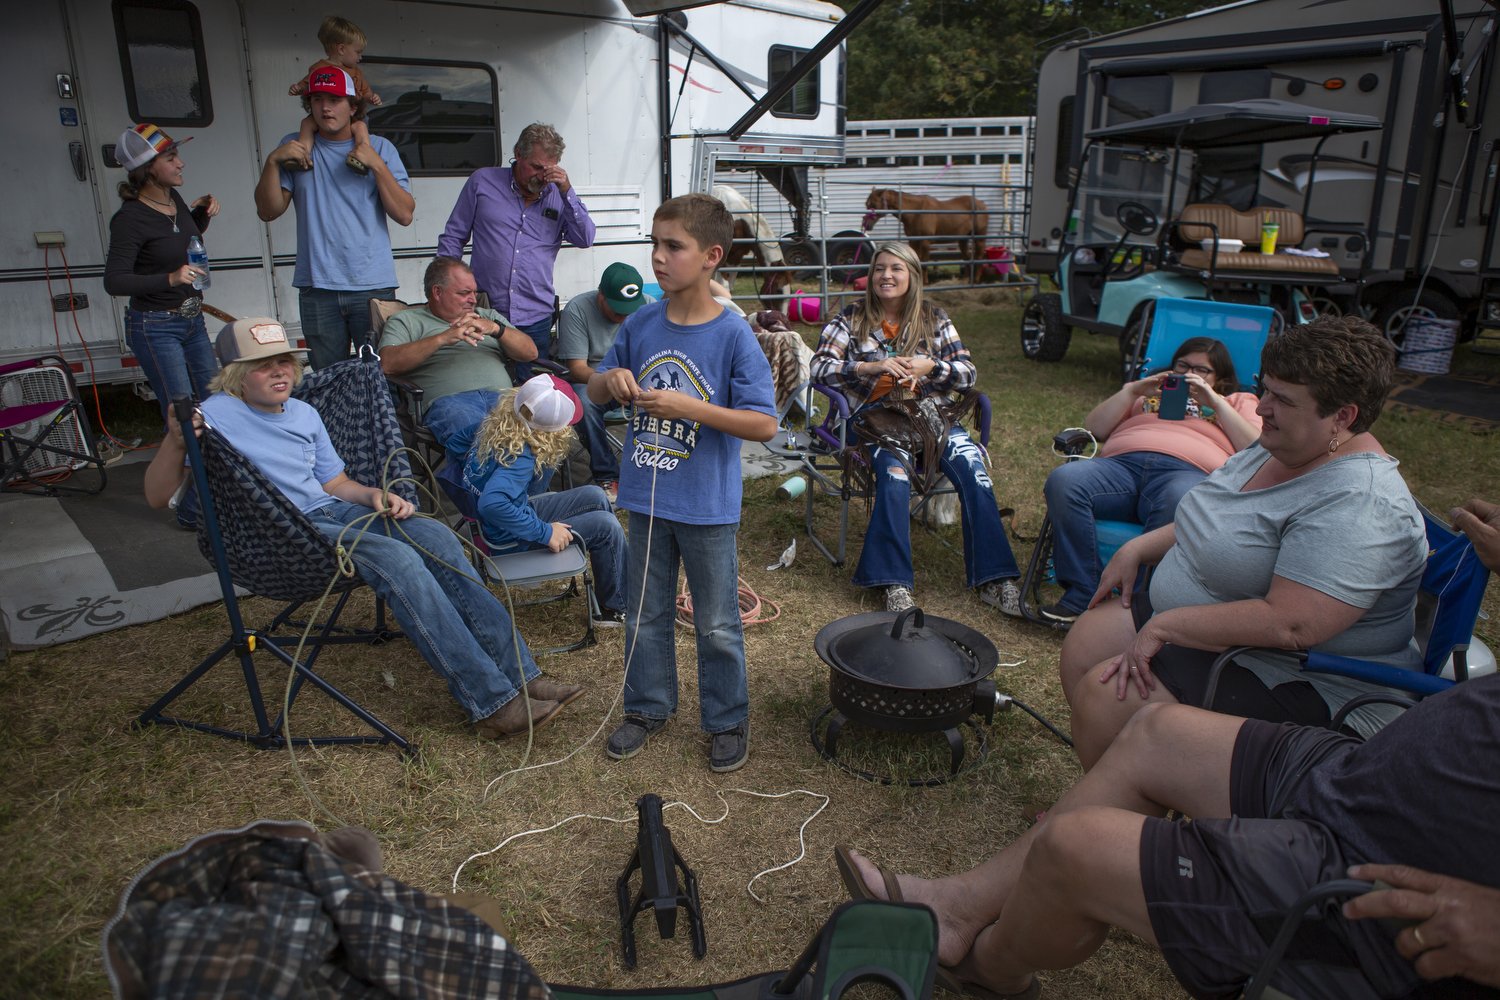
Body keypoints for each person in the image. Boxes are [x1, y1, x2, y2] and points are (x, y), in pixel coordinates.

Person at [833, 673, 1500, 1000]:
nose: (1263, 406)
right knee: (1160, 731)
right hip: (1357, 775)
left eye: (1280, 398)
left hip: (1378, 874)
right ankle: (960, 907)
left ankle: (992, 974)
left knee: (1076, 851)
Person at [143, 317, 585, 738]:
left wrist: (374, 495)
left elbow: (333, 482)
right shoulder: (212, 417)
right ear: (234, 375)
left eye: (283, 362)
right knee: (398, 559)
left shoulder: (300, 412)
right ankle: (491, 703)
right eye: (261, 366)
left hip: (335, 511)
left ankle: (522, 675)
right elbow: (156, 496)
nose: (277, 372)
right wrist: (174, 441)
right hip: (282, 531)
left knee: (435, 538)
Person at [1059, 316, 1426, 770]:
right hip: (1222, 626)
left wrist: (1165, 627)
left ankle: (1124, 815)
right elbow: (1221, 519)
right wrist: (1139, 547)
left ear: (1342, 416)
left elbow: (1292, 625)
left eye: (1282, 399)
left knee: (1105, 695)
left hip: (1299, 676)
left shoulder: (1360, 502)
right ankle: (1116, 786)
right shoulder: (1283, 443)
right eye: (1264, 389)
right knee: (1086, 643)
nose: (1263, 408)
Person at [588, 193, 777, 773]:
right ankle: (647, 706)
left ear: (712, 256)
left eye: (674, 246)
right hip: (646, 496)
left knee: (717, 622)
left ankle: (725, 718)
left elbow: (764, 423)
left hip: (706, 505)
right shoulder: (641, 323)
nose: (658, 257)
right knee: (644, 610)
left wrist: (689, 408)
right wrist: (611, 378)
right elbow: (592, 393)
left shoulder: (733, 335)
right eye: (655, 243)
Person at [809, 241, 1023, 617]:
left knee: (975, 471)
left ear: (913, 276)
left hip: (931, 417)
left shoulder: (934, 319)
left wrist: (931, 368)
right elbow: (819, 367)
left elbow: (967, 372)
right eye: (879, 268)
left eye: (896, 269)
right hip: (875, 420)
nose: (886, 276)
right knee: (894, 474)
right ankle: (894, 582)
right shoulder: (851, 319)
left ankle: (996, 578)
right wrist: (868, 368)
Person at [1039, 337, 1261, 624]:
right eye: (1182, 365)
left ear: (1220, 377)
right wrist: (1133, 391)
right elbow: (1093, 428)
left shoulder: (1237, 402)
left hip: (1186, 471)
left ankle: (1137, 605)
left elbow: (1255, 448)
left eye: (1201, 370)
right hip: (1120, 467)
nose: (1187, 373)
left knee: (1183, 500)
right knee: (1065, 480)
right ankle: (1084, 593)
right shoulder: (1145, 395)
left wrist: (1215, 402)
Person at [254, 65, 414, 371]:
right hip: (317, 286)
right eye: (317, 99)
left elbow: (404, 214)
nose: (325, 107)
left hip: (372, 286)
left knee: (382, 376)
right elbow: (268, 211)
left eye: (335, 99)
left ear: (354, 107)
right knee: (327, 377)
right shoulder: (295, 147)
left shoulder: (380, 148)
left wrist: (377, 166)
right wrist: (273, 162)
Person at [447, 374, 627, 627]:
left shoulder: (494, 424)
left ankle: (616, 577)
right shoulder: (522, 455)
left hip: (507, 519)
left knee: (594, 494)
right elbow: (493, 504)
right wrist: (545, 532)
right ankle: (614, 608)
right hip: (510, 540)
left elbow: (455, 444)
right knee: (606, 526)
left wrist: (478, 474)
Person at [437, 123, 595, 377]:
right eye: (536, 167)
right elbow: (454, 237)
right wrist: (447, 291)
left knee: (532, 398)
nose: (542, 176)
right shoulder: (483, 182)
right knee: (485, 385)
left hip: (534, 316)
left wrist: (567, 190)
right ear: (517, 154)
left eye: (549, 169)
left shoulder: (559, 196)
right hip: (485, 309)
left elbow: (585, 238)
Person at [104, 124, 221, 422]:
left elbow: (176, 240)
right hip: (156, 325)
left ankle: (214, 467)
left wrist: (200, 216)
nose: (180, 163)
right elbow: (114, 280)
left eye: (177, 155)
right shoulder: (129, 218)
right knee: (181, 412)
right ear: (147, 169)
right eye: (170, 158)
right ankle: (185, 467)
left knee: (216, 403)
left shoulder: (174, 200)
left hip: (192, 320)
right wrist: (170, 278)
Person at [378, 257, 537, 461]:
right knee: (479, 437)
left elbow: (530, 352)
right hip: (450, 402)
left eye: (474, 292)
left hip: (504, 399)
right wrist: (443, 338)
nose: (473, 299)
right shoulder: (407, 321)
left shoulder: (487, 315)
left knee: (542, 434)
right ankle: (502, 490)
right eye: (464, 293)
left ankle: (509, 491)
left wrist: (496, 329)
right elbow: (387, 364)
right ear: (437, 292)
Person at [555, 262, 652, 495]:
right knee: (583, 402)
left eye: (630, 309)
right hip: (595, 380)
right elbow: (577, 368)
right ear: (601, 296)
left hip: (640, 380)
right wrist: (609, 378)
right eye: (618, 310)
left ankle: (656, 469)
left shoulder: (649, 306)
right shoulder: (578, 308)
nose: (625, 316)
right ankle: (606, 474)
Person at [283, 15, 381, 174]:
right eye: (358, 52)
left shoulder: (356, 72)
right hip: (322, 119)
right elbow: (308, 83)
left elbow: (366, 91)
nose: (360, 57)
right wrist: (298, 88)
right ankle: (301, 156)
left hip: (353, 118)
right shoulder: (319, 69)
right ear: (341, 49)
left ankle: (361, 156)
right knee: (307, 124)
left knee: (361, 127)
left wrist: (372, 97)